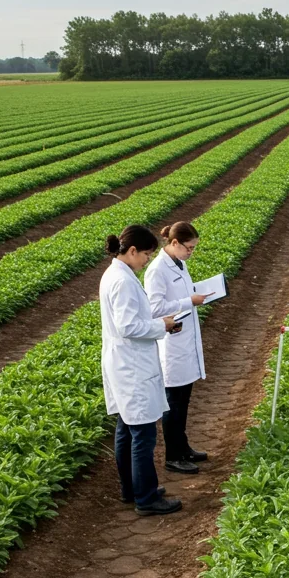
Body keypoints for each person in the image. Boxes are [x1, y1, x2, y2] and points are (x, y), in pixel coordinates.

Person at [100, 224, 183, 516]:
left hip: (124, 362)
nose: (147, 260)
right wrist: (163, 325)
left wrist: (158, 323)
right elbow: (129, 326)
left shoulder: (115, 274)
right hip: (131, 365)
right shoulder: (122, 281)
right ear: (132, 251)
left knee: (127, 428)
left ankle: (131, 488)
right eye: (146, 255)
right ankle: (146, 498)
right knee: (143, 434)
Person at [144, 221, 211, 474]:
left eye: (194, 248)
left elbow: (179, 296)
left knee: (183, 400)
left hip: (185, 340)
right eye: (189, 248)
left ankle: (183, 447)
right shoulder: (157, 270)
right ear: (174, 243)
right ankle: (172, 456)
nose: (191, 252)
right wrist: (188, 300)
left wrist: (197, 294)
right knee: (174, 403)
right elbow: (154, 308)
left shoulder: (179, 263)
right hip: (171, 346)